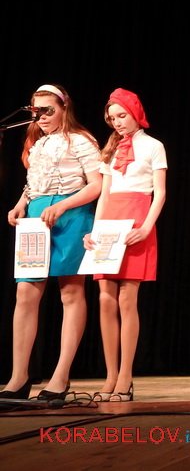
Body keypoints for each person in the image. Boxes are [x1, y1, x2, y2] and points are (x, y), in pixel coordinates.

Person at [1, 84, 101, 401]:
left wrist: (63, 206)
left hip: (71, 217)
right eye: (36, 111)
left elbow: (96, 185)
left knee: (70, 292)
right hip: (37, 217)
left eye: (48, 110)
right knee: (25, 293)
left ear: (64, 108)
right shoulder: (38, 143)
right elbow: (34, 183)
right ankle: (18, 378)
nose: (42, 117)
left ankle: (60, 377)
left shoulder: (81, 140)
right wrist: (21, 203)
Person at [83, 88, 167, 402]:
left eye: (122, 115)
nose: (118, 122)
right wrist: (94, 231)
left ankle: (126, 376)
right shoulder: (110, 149)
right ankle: (110, 374)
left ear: (135, 113)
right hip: (109, 223)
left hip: (136, 221)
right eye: (113, 118)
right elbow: (104, 194)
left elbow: (160, 192)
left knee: (127, 299)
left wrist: (146, 227)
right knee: (105, 298)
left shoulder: (153, 146)